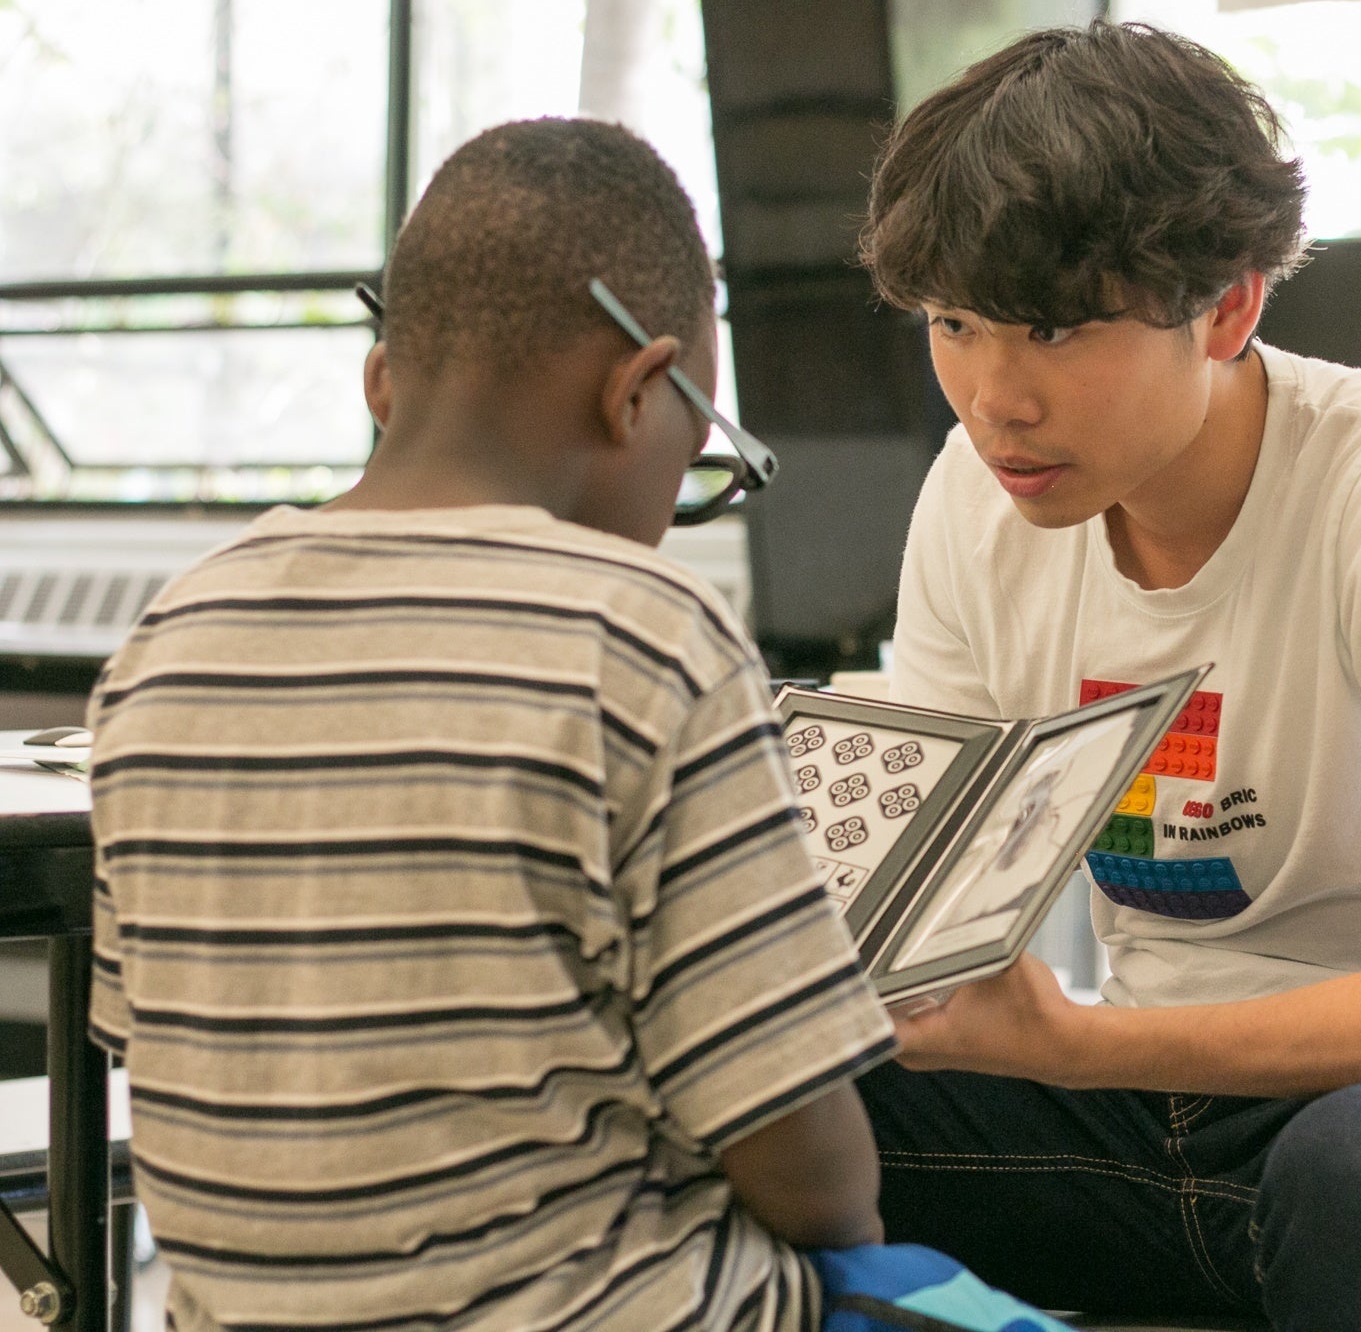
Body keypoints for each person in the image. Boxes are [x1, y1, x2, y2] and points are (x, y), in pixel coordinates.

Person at [85, 118, 1068, 1332]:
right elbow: (807, 1169)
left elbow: (154, 1050)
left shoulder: (167, 637)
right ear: (638, 393)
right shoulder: (640, 634)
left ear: (381, 381)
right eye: (702, 457)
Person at [854, 22, 1361, 1331]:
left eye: (1047, 327)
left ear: (1229, 306)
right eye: (955, 324)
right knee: (740, 1101)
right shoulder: (974, 503)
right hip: (1127, 1131)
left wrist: (1088, 1045)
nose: (992, 399)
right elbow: (920, 902)